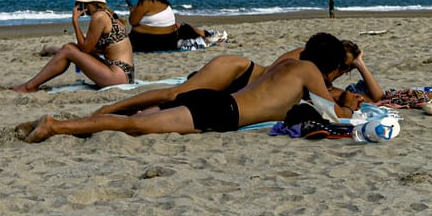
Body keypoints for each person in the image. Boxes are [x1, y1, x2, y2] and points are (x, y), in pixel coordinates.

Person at [20, 33, 357, 141]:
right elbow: (332, 113)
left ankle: (78, 120)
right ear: (327, 63)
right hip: (221, 111)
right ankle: (56, 126)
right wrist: (349, 107)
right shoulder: (311, 71)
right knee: (134, 126)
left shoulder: (291, 62)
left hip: (217, 100)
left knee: (148, 114)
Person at [10, 0, 135, 92]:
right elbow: (94, 49)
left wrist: (75, 21)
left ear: (86, 2)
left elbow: (85, 49)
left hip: (117, 77)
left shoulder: (99, 17)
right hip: (124, 74)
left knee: (69, 49)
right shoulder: (109, 15)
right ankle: (31, 85)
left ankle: (30, 86)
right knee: (69, 48)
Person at [126, 0, 214, 52]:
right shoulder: (163, 1)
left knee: (134, 31)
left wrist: (132, 11)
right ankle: (205, 35)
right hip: (170, 38)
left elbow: (133, 22)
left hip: (155, 40)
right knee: (181, 26)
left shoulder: (145, 3)